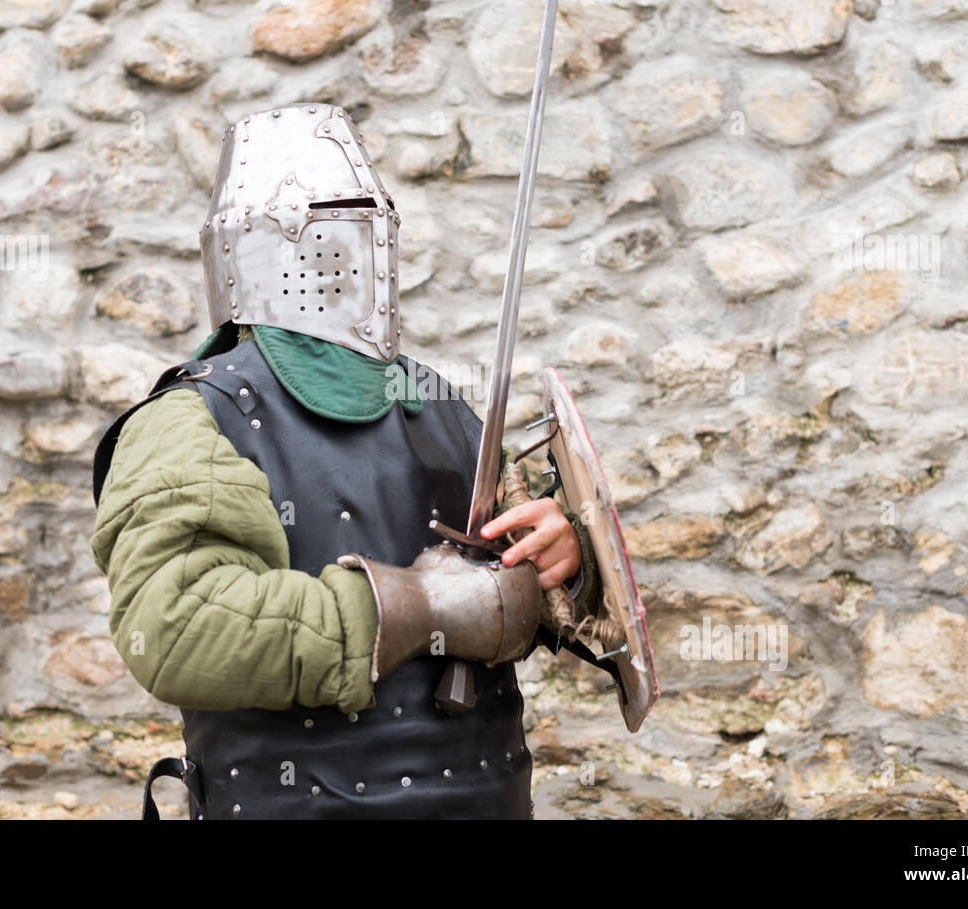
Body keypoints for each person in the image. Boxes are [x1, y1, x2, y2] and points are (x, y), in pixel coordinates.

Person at [90, 103, 603, 819]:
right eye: (336, 217)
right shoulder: (191, 418)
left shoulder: (439, 403)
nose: (359, 246)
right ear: (265, 246)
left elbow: (547, 600)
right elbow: (174, 626)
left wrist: (564, 563)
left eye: (369, 213)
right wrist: (422, 607)